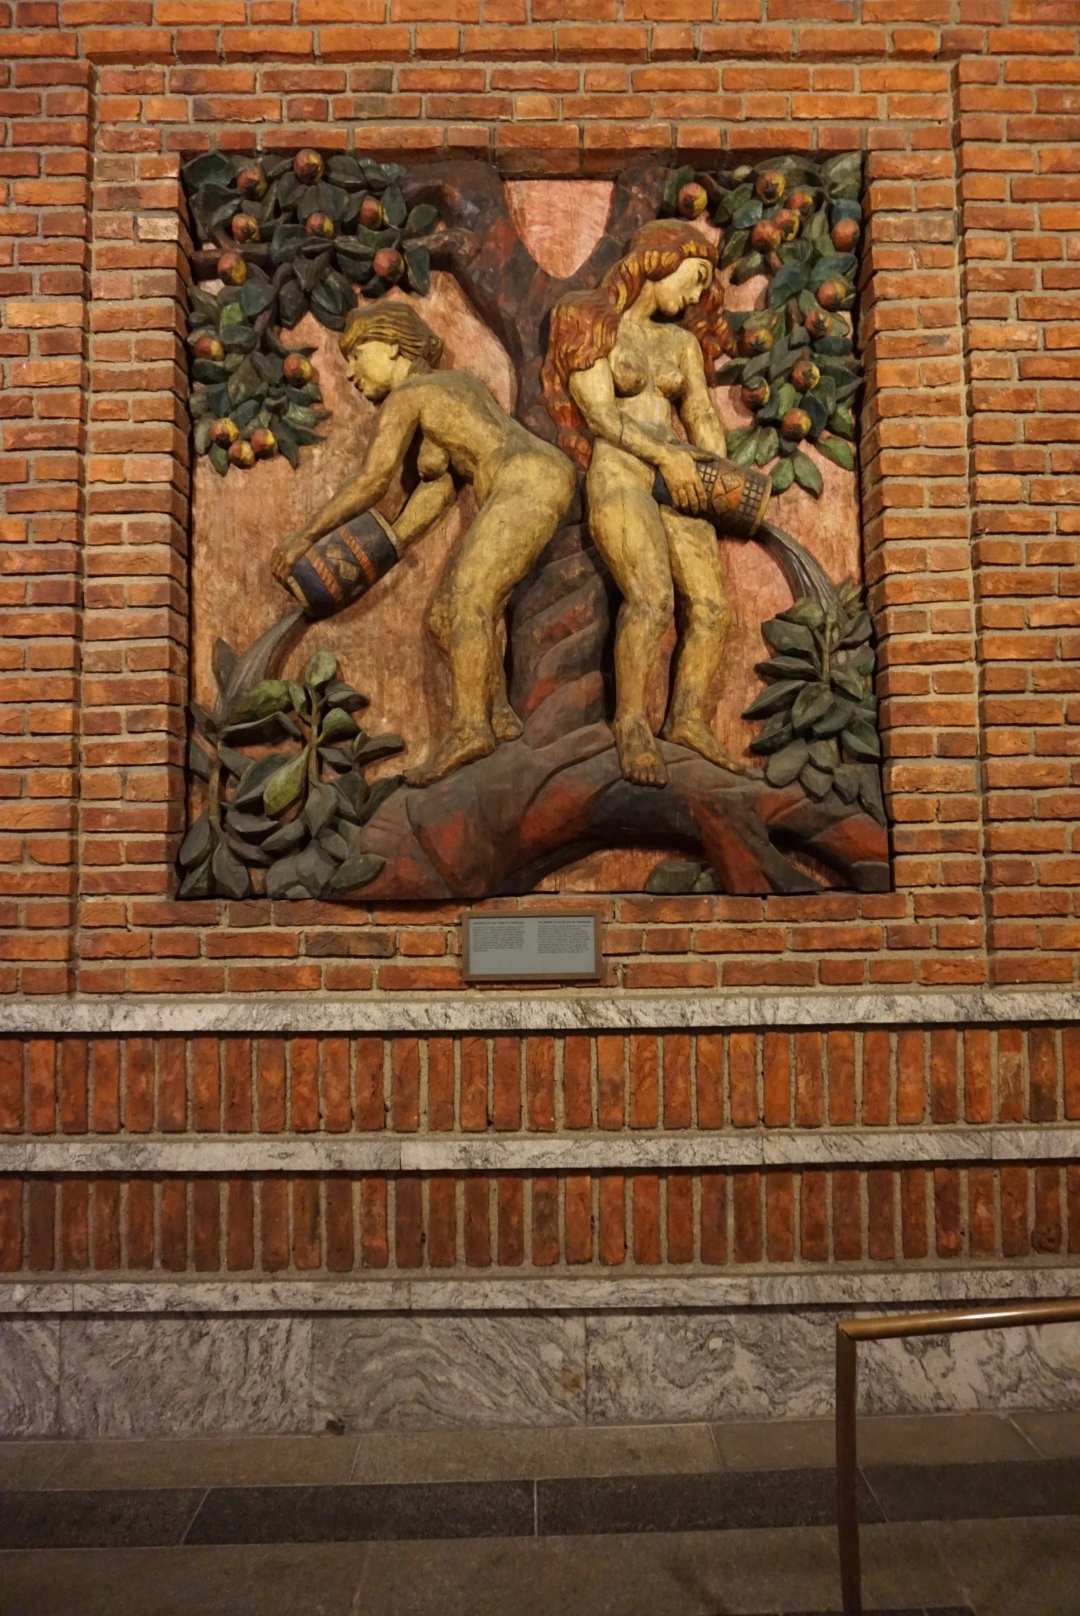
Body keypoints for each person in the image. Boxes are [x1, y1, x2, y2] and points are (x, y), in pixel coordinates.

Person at [271, 303, 576, 786]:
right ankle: (497, 715)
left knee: (470, 602)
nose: (351, 373)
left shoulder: (409, 396)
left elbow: (372, 480)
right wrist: (388, 544)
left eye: (358, 354)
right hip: (534, 478)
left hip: (526, 481)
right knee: (445, 617)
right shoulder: (454, 387)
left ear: (395, 347)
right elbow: (440, 486)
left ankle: (470, 729)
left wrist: (304, 538)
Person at [542, 218, 745, 788]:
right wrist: (667, 457)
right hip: (622, 473)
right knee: (652, 598)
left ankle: (687, 720)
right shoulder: (592, 321)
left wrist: (718, 475)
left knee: (713, 609)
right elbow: (601, 416)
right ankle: (631, 723)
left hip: (682, 481)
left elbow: (701, 415)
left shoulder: (682, 345)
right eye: (696, 275)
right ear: (659, 260)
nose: (698, 294)